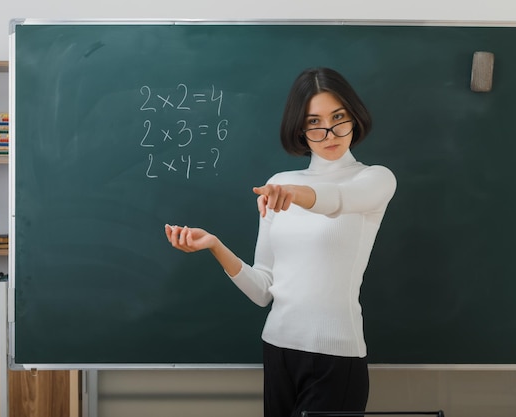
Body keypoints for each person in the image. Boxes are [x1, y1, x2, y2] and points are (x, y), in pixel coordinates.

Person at [165, 67, 396, 417]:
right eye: (315, 122)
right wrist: (214, 245)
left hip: (336, 356)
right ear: (300, 130)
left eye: (338, 118)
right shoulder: (279, 182)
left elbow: (338, 200)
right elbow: (263, 290)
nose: (329, 132)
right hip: (277, 349)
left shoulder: (374, 179)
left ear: (353, 116)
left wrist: (293, 194)